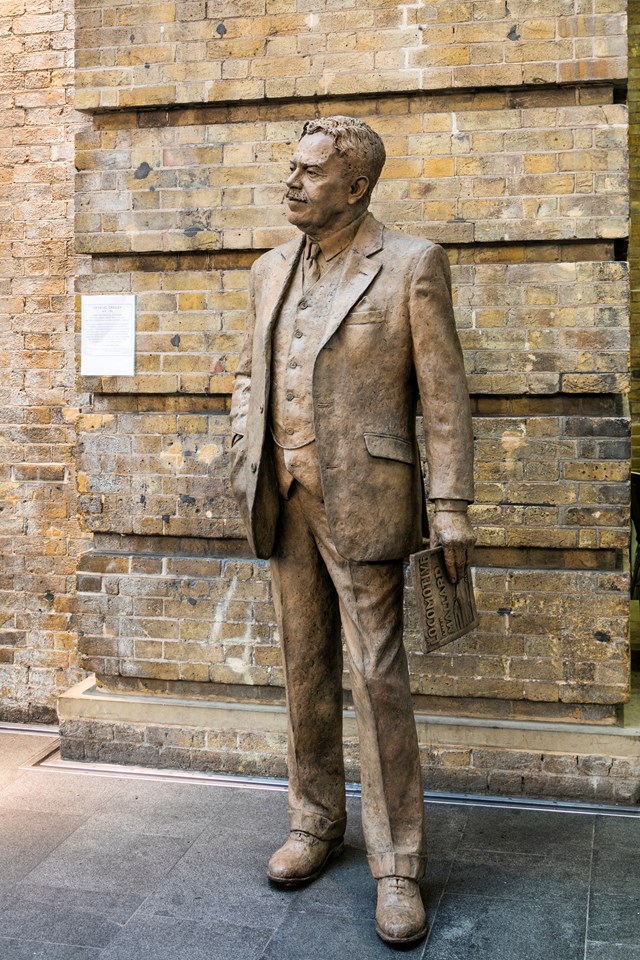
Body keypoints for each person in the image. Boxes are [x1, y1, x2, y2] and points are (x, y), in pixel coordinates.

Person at [229, 116, 475, 946]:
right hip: (283, 490)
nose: (291, 182)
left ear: (356, 186)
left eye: (309, 171)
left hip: (367, 496)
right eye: (290, 168)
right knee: (303, 668)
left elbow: (444, 395)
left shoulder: (411, 265)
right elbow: (246, 374)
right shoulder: (268, 271)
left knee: (377, 676)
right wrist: (245, 451)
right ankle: (313, 824)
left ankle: (399, 864)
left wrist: (451, 505)